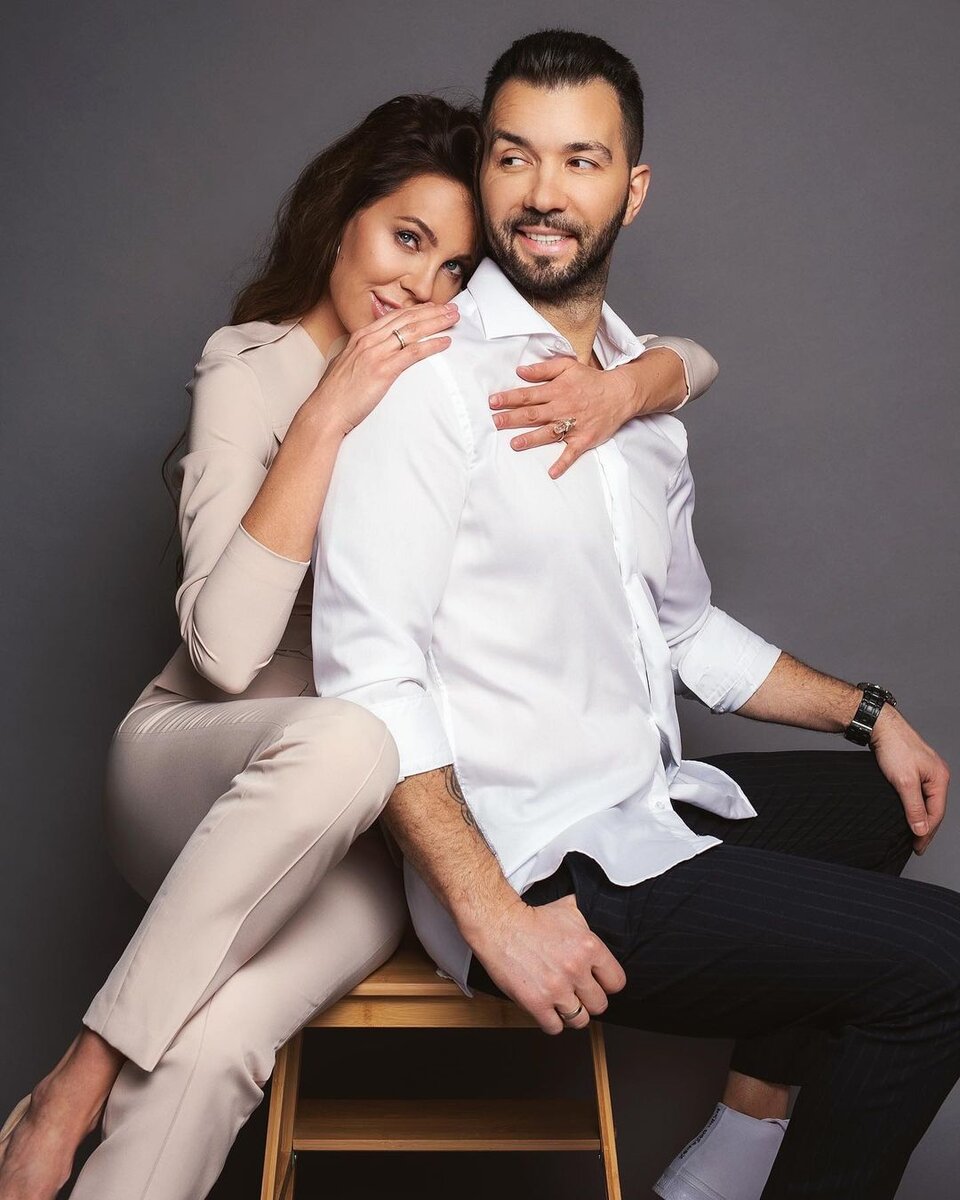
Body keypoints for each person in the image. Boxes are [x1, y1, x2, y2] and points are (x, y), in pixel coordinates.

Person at [0, 94, 719, 1200]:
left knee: (222, 1041)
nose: (419, 287)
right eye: (405, 238)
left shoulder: (459, 377)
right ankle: (82, 1075)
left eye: (454, 267)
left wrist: (627, 387)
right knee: (350, 737)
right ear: (343, 217)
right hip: (198, 765)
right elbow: (226, 654)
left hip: (364, 833)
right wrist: (330, 411)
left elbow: (691, 357)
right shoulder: (251, 367)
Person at [308, 31, 956, 1200]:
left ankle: (734, 1155)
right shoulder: (428, 383)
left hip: (639, 809)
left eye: (581, 161)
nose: (543, 193)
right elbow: (368, 678)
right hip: (535, 866)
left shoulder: (641, 396)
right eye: (515, 157)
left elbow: (684, 630)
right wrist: (491, 914)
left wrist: (871, 713)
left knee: (878, 804)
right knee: (944, 964)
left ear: (632, 188)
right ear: (485, 171)